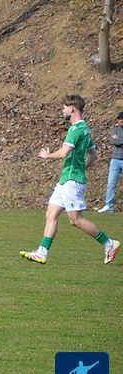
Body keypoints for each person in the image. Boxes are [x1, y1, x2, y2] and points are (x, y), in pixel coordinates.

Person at [20, 95, 119, 264]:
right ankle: (42, 252)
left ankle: (109, 243)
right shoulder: (85, 129)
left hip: (72, 181)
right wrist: (81, 167)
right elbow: (93, 154)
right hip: (66, 179)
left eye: (64, 107)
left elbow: (64, 152)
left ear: (72, 108)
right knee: (51, 214)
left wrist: (48, 155)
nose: (62, 110)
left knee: (75, 220)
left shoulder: (76, 129)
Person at [96, 111, 123, 213]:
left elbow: (117, 141)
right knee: (111, 183)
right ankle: (109, 205)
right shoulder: (115, 130)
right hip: (115, 160)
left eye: (122, 119)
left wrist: (119, 141)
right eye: (119, 119)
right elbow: (113, 141)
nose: (121, 121)